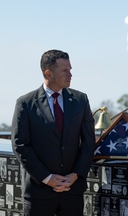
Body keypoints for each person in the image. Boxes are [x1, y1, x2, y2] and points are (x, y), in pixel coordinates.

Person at [11, 49, 95, 216]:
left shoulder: (80, 100)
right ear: (48, 73)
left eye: (70, 69)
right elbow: (20, 145)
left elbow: (88, 142)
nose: (70, 74)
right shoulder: (25, 103)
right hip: (39, 193)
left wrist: (76, 174)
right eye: (65, 70)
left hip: (72, 192)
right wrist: (47, 178)